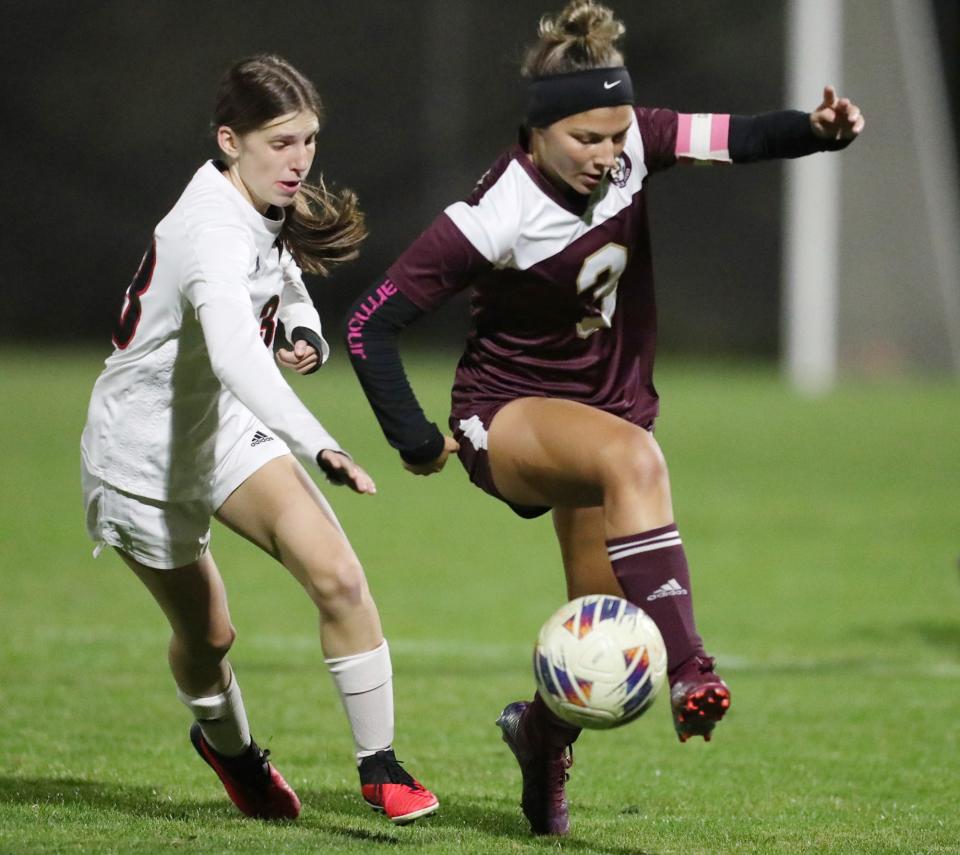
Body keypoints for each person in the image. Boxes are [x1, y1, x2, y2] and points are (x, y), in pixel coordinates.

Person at [344, 0, 863, 837]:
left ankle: (541, 736)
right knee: (636, 462)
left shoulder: (635, 146)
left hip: (598, 415)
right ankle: (696, 667)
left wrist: (820, 130)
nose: (608, 153)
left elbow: (737, 137)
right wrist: (412, 436)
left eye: (617, 135)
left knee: (606, 651)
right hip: (503, 417)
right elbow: (369, 323)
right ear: (538, 131)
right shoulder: (495, 214)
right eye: (587, 138)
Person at [80, 54, 438, 826]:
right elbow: (240, 353)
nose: (299, 161)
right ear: (229, 139)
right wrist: (319, 441)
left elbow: (275, 273)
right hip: (146, 456)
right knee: (209, 635)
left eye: (308, 139)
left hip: (223, 430)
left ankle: (381, 766)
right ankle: (233, 752)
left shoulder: (255, 196)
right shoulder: (207, 229)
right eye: (281, 143)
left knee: (338, 575)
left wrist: (303, 323)